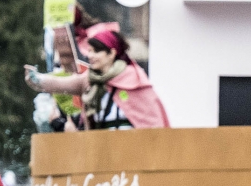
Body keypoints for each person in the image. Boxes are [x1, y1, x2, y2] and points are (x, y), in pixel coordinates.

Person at [24, 22, 168, 129]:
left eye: (96, 51)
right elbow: (60, 84)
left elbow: (154, 125)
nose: (91, 56)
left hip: (132, 153)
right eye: (90, 51)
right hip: (101, 151)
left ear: (112, 53)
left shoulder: (134, 81)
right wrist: (36, 79)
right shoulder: (90, 79)